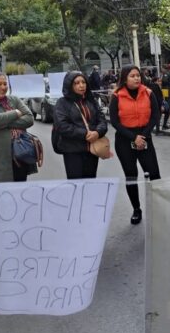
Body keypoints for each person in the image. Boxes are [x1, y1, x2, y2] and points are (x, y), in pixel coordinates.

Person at [109, 66, 161, 224]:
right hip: (125, 139)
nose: (137, 78)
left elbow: (155, 116)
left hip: (145, 137)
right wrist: (133, 138)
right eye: (132, 76)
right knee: (131, 176)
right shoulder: (117, 95)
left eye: (138, 75)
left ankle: (158, 208)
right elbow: (114, 121)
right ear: (125, 78)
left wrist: (142, 136)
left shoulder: (148, 92)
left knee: (154, 174)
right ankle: (136, 209)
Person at [54, 70, 108, 179]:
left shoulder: (91, 101)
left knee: (90, 182)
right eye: (76, 83)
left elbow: (102, 120)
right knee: (76, 183)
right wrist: (85, 134)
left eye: (83, 82)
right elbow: (62, 126)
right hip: (73, 151)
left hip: (92, 150)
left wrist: (97, 132)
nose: (81, 85)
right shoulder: (62, 103)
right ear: (69, 85)